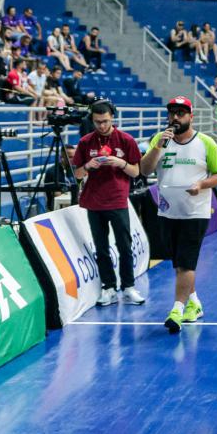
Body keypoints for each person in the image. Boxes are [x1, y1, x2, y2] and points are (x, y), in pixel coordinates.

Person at [139, 96, 217, 331]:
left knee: (187, 263)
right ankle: (194, 303)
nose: (175, 117)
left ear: (191, 116)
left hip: (195, 213)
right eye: (172, 113)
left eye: (181, 113)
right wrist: (158, 147)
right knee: (179, 264)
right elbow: (144, 170)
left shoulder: (206, 143)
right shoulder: (160, 140)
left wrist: (201, 185)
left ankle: (176, 310)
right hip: (167, 212)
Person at [71, 101, 146, 306]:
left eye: (105, 121)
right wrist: (88, 165)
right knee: (101, 248)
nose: (102, 126)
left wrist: (121, 163)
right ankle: (109, 287)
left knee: (124, 246)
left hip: (117, 200)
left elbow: (136, 172)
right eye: (97, 122)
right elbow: (77, 174)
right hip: (94, 202)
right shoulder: (86, 142)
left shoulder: (126, 140)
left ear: (112, 117)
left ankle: (129, 287)